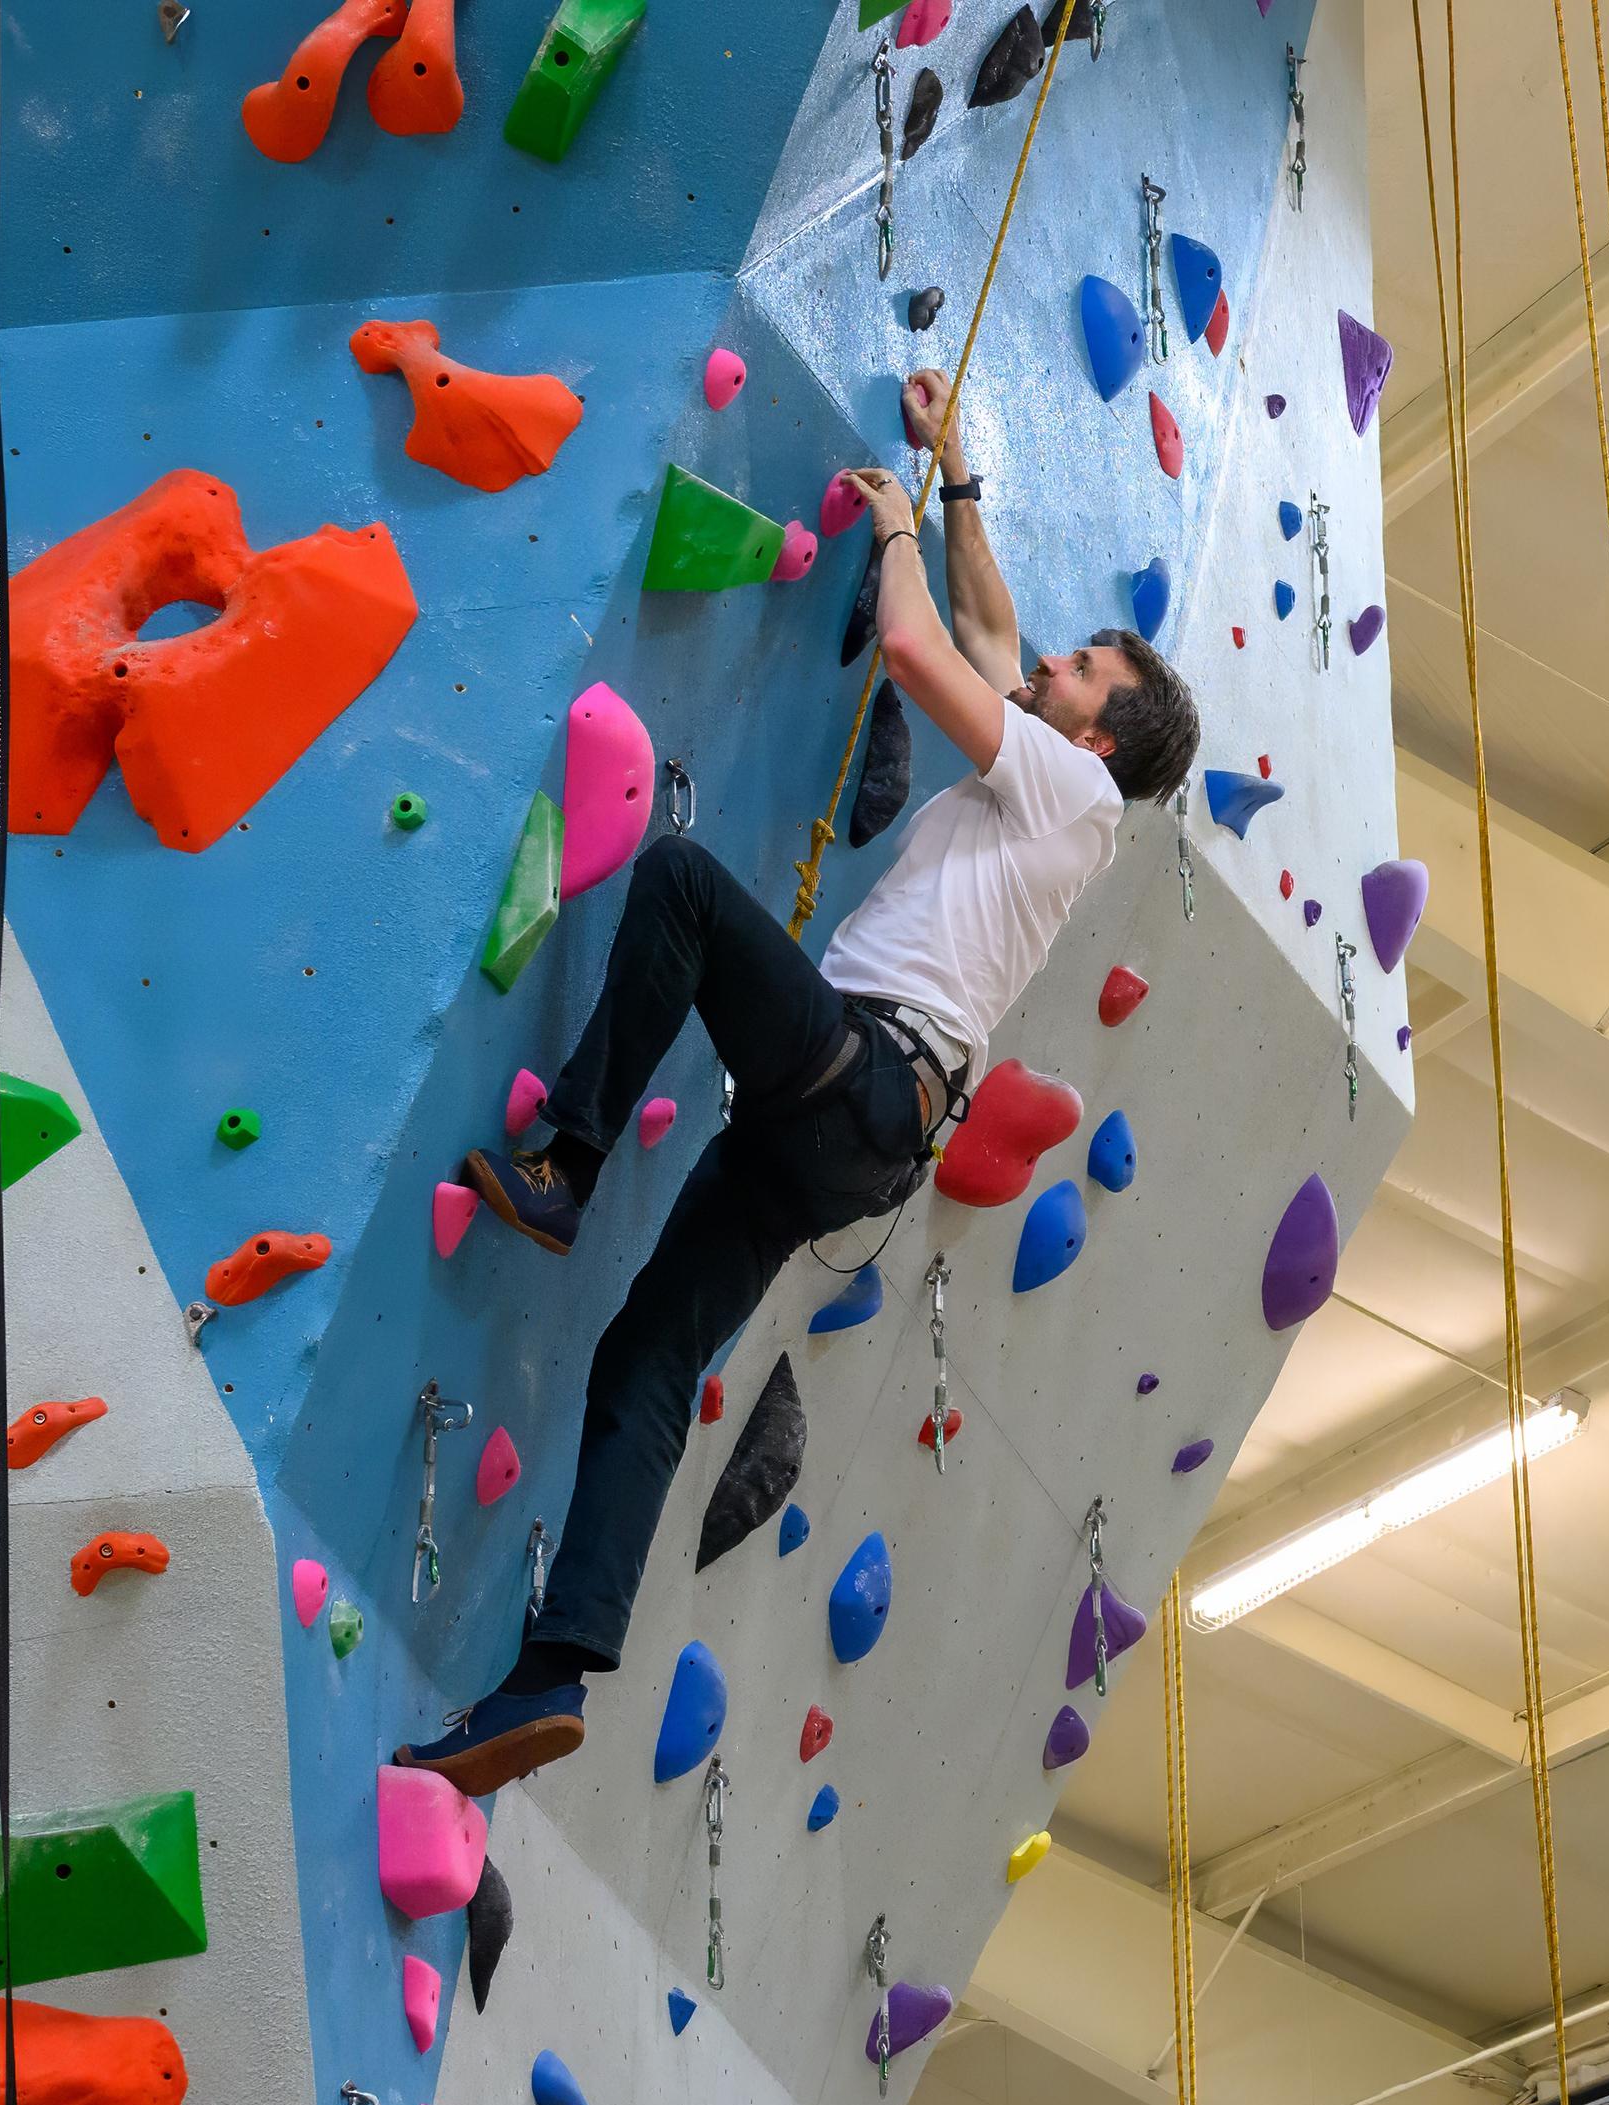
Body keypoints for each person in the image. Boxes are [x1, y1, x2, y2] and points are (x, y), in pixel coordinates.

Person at [398, 371, 1202, 1794]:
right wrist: (953, 473)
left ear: (1096, 739)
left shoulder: (1073, 792)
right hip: (850, 1132)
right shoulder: (1057, 790)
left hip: (862, 1077)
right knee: (646, 1358)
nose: (1054, 664)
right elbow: (991, 632)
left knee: (690, 890)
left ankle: (569, 1168)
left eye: (1084, 673)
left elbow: (917, 647)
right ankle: (549, 1677)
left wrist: (890, 525)